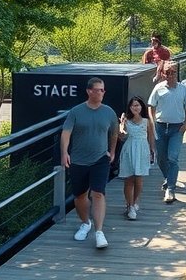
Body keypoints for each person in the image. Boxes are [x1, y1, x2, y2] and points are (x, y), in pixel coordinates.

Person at [61, 77, 118, 249]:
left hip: (101, 159)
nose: (101, 93)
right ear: (89, 91)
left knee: (98, 193)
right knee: (79, 196)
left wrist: (113, 151)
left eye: (103, 90)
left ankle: (99, 232)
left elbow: (114, 133)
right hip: (78, 160)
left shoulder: (109, 112)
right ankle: (86, 223)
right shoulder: (76, 111)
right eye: (98, 89)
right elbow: (66, 133)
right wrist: (64, 153)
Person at [148, 62, 186, 203]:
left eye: (173, 72)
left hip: (177, 128)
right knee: (161, 158)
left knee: (172, 158)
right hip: (161, 127)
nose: (170, 75)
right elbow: (151, 105)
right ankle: (169, 178)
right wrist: (152, 121)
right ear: (163, 74)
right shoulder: (158, 88)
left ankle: (171, 189)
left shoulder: (183, 89)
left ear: (176, 73)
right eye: (167, 72)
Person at [117, 96, 155, 221]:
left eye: (138, 105)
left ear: (141, 107)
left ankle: (134, 201)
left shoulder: (146, 121)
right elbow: (122, 137)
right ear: (130, 107)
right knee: (129, 179)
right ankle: (130, 205)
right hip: (129, 149)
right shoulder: (126, 120)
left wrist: (151, 152)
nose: (136, 107)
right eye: (133, 105)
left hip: (142, 150)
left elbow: (150, 137)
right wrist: (121, 128)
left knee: (139, 180)